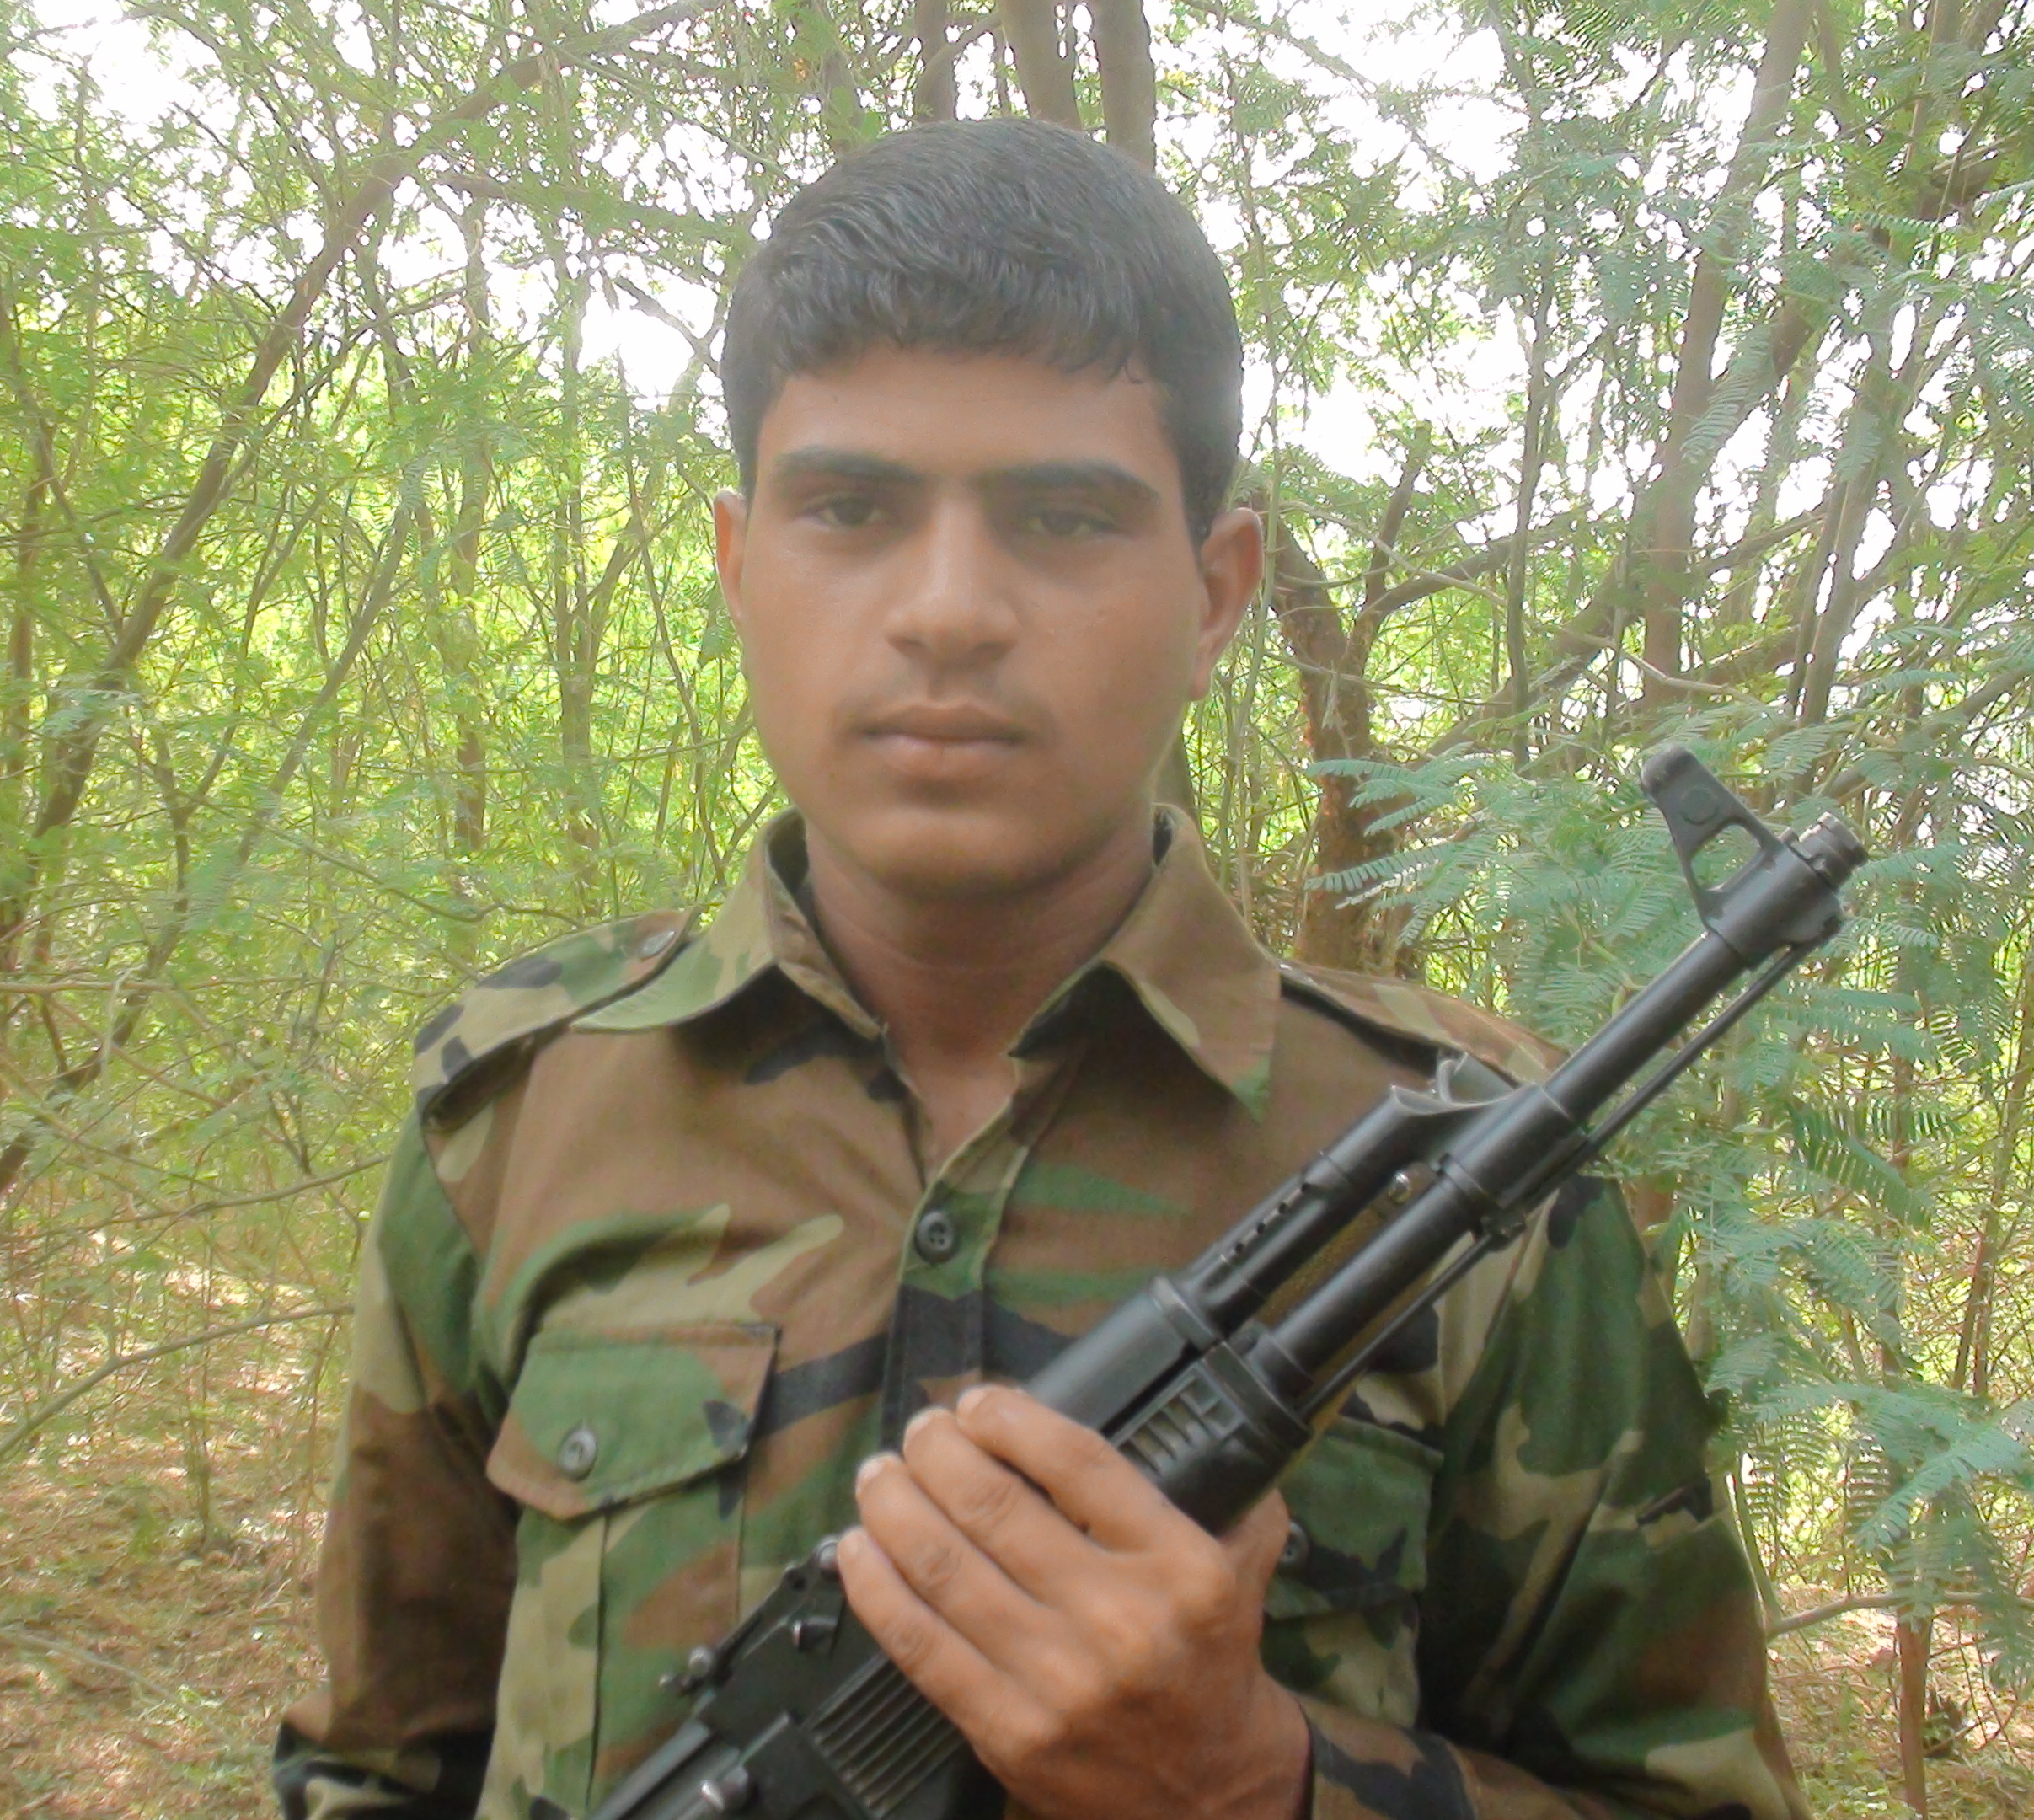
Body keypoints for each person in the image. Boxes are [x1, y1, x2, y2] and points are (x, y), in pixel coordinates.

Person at [272, 118, 1807, 1820]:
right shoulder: (522, 1112)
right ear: (739, 565)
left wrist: (1257, 1785)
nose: (948, 611)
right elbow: (369, 1770)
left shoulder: (1465, 1174)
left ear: (1214, 594)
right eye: (850, 508)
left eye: (1065, 518)